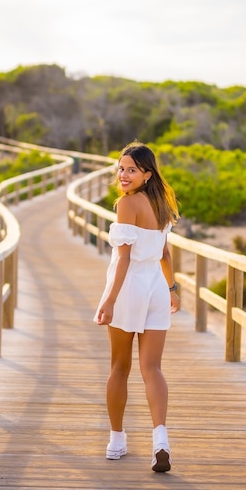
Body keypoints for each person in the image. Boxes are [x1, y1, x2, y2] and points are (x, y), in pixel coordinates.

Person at [94, 141, 180, 472]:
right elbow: (165, 254)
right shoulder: (161, 203)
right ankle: (160, 439)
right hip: (155, 289)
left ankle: (117, 439)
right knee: (152, 369)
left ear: (147, 173)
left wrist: (109, 299)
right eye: (120, 168)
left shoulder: (127, 204)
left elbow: (124, 259)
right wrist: (171, 288)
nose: (124, 175)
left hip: (130, 288)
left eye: (131, 169)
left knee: (119, 367)